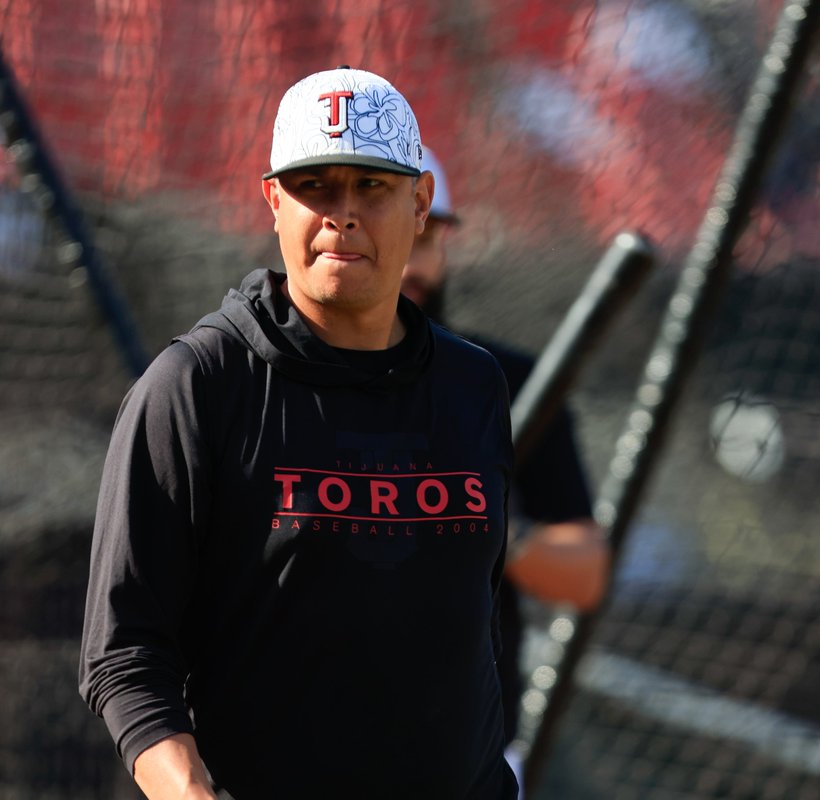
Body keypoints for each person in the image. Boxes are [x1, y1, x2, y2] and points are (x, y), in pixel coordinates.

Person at [79, 67, 518, 800]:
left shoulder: (474, 385)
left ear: (420, 203)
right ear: (274, 200)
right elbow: (123, 649)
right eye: (316, 186)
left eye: (372, 187)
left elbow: (472, 628)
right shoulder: (196, 385)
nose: (342, 214)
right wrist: (187, 791)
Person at [403, 148, 611, 784]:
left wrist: (480, 523)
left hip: (469, 757)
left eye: (425, 236)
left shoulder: (506, 384)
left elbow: (584, 574)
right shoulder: (263, 382)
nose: (408, 261)